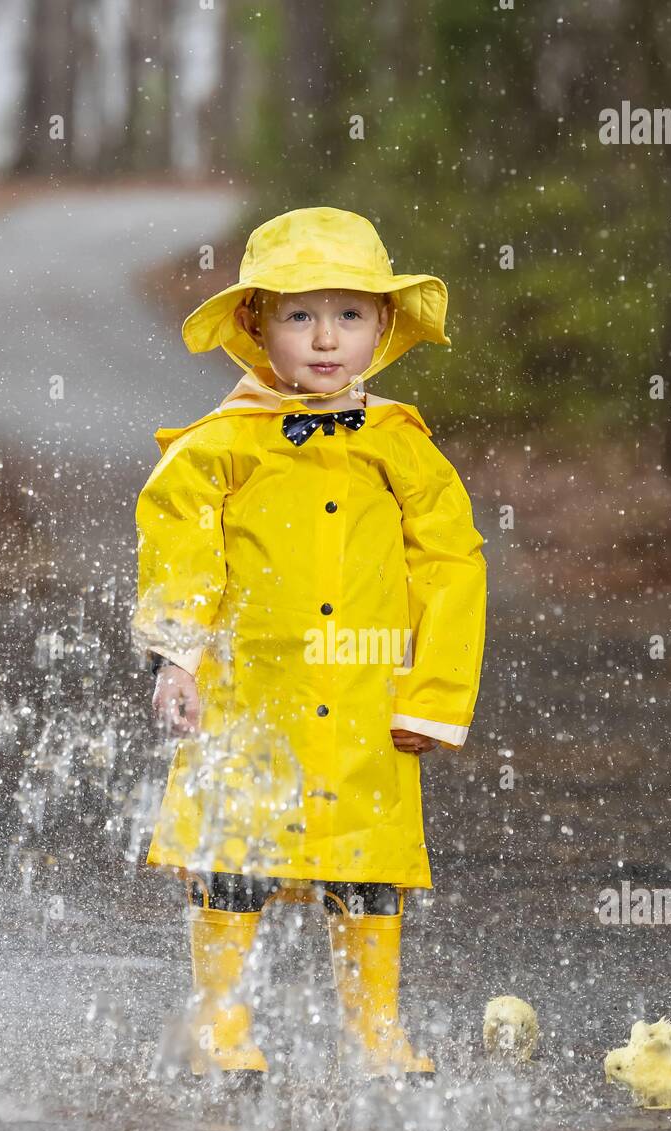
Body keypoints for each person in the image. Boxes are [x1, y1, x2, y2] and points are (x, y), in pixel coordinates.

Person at [134, 206, 487, 1079]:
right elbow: (182, 548)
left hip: (368, 700)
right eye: (300, 316)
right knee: (234, 856)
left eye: (350, 315)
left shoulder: (404, 449)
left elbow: (452, 566)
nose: (326, 339)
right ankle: (219, 1021)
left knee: (370, 867)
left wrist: (432, 699)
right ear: (257, 325)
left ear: (382, 326)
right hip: (252, 690)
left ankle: (374, 1031)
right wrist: (178, 655)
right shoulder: (220, 447)